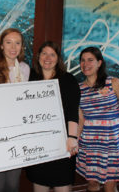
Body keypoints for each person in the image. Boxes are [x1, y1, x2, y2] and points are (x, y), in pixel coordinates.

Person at [25, 41, 81, 192]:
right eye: (44, 53)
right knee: (39, 185)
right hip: (37, 145)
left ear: (58, 58)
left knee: (62, 186)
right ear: (38, 57)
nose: (47, 58)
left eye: (52, 54)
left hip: (61, 143)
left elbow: (73, 112)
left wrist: (72, 138)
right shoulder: (30, 78)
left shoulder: (68, 80)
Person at [76, 47, 119, 192]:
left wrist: (106, 119)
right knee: (92, 184)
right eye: (82, 60)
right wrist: (75, 140)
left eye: (90, 60)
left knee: (110, 186)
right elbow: (81, 119)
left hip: (112, 141)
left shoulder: (114, 82)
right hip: (89, 142)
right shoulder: (78, 89)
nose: (85, 64)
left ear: (99, 63)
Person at [0, 28, 30, 192]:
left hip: (19, 133)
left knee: (13, 184)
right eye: (8, 42)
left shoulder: (25, 69)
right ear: (1, 46)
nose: (13, 47)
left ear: (21, 47)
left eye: (17, 43)